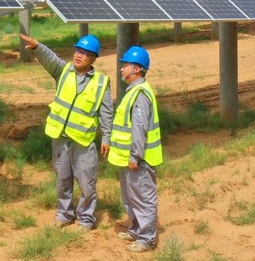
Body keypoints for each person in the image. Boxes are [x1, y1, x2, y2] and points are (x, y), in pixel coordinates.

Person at [20, 32, 113, 231]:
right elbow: (50, 59)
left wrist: (107, 137)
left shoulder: (101, 82)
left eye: (85, 53)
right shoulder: (63, 71)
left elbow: (106, 113)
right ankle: (64, 215)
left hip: (82, 141)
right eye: (77, 51)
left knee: (86, 182)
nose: (79, 55)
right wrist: (38, 46)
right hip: (60, 138)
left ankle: (86, 219)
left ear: (93, 58)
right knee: (63, 179)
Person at [108, 45, 162, 253]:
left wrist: (135, 155)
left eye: (125, 65)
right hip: (128, 158)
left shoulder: (140, 94)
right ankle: (137, 229)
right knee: (131, 197)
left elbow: (139, 128)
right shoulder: (133, 91)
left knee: (142, 198)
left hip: (140, 159)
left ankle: (147, 239)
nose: (122, 69)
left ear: (137, 69)